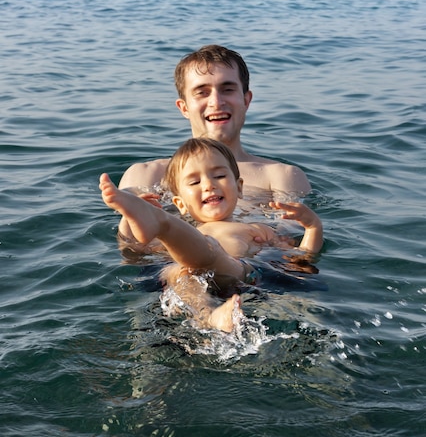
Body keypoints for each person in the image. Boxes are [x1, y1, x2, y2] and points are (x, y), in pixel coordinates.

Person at [100, 138, 323, 332]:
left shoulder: (256, 230)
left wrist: (313, 228)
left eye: (219, 175)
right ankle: (209, 317)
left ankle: (156, 222)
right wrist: (129, 223)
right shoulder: (185, 236)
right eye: (195, 182)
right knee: (179, 271)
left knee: (208, 252)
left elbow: (297, 260)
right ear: (180, 204)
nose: (209, 185)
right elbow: (135, 252)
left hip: (238, 273)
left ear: (239, 187)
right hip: (186, 276)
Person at [118, 45, 311, 242]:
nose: (216, 102)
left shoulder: (281, 176)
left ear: (246, 100)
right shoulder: (145, 176)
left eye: (227, 89)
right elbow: (130, 250)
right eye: (202, 92)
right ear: (183, 107)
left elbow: (289, 252)